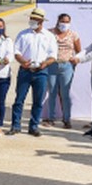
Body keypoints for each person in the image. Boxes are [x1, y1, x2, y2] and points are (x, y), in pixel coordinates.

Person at [8, 8, 57, 137]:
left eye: (35, 19)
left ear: (41, 21)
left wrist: (45, 63)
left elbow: (53, 55)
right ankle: (15, 125)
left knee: (38, 101)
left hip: (41, 72)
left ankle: (34, 126)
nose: (32, 21)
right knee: (19, 99)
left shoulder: (49, 36)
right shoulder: (23, 34)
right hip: (25, 70)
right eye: (31, 19)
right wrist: (23, 61)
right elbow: (16, 52)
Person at [43, 13, 81, 129]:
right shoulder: (49, 33)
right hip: (52, 65)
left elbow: (79, 51)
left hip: (66, 66)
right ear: (58, 21)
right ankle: (51, 118)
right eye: (62, 21)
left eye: (67, 22)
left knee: (65, 93)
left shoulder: (73, 35)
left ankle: (67, 119)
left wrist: (75, 60)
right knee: (52, 92)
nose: (64, 24)